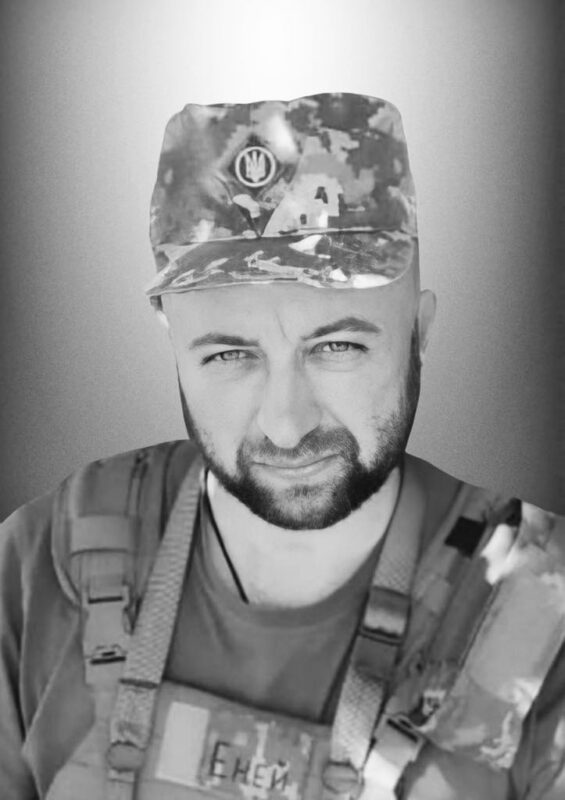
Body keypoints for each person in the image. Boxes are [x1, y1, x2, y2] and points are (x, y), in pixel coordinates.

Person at [0, 92, 564, 800]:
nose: (286, 425)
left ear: (419, 332)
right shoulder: (43, 562)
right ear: (173, 348)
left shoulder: (541, 609)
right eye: (229, 356)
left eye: (337, 346)